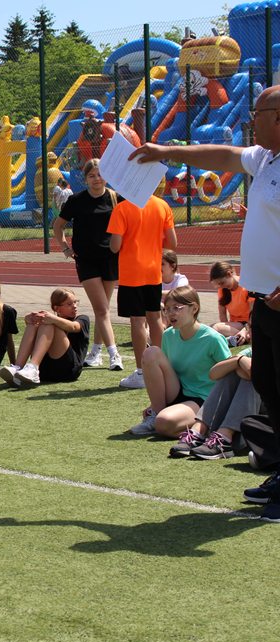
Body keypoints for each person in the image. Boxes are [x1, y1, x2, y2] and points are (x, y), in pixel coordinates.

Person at [130, 85, 280, 521]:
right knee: (269, 387)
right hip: (265, 304)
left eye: (258, 112)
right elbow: (222, 155)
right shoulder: (266, 158)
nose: (251, 119)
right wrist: (167, 151)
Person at [128, 286, 230, 436]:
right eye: (167, 309)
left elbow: (230, 374)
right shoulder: (169, 335)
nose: (170, 313)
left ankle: (204, 427)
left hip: (202, 399)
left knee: (164, 423)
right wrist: (154, 404)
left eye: (176, 308)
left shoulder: (213, 339)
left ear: (194, 308)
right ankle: (156, 413)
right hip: (177, 390)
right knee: (151, 352)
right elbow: (165, 372)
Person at [52, 158, 123, 372]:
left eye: (100, 175)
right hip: (86, 260)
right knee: (101, 309)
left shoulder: (115, 198)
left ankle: (96, 352)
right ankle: (114, 354)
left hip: (110, 258)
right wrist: (65, 248)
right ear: (85, 179)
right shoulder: (76, 200)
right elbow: (58, 226)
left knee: (104, 310)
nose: (96, 179)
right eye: (91, 175)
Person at [107, 194, 178, 389]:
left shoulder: (122, 208)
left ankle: (142, 371)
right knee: (155, 318)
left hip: (131, 272)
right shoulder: (162, 205)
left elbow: (115, 246)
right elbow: (172, 243)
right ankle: (161, 366)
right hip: (153, 271)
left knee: (137, 321)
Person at [169, 350, 260, 460]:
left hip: (265, 420)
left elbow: (254, 373)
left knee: (254, 378)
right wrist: (238, 360)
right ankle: (199, 431)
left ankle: (225, 439)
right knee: (230, 370)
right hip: (250, 414)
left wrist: (242, 367)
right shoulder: (251, 351)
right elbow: (213, 374)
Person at [0, 288, 88, 387]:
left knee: (49, 323)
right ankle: (18, 367)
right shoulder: (48, 321)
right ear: (57, 308)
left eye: (75, 302)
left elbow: (74, 327)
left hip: (68, 371)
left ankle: (33, 367)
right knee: (35, 323)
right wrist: (29, 319)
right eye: (69, 304)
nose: (74, 306)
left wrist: (52, 319)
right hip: (44, 371)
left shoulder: (82, 318)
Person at [208, 261, 251, 345]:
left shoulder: (247, 286)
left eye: (222, 283)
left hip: (248, 325)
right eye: (218, 284)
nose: (221, 286)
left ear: (229, 274)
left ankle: (244, 337)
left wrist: (246, 329)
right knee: (211, 329)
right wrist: (225, 331)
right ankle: (237, 338)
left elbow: (254, 314)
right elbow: (222, 314)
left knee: (216, 328)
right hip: (236, 325)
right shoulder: (222, 290)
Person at [160, 249, 189, 328]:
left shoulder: (181, 279)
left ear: (173, 266)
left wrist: (156, 293)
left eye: (162, 264)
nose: (158, 267)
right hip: (161, 313)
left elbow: (178, 293)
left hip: (177, 314)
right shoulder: (155, 280)